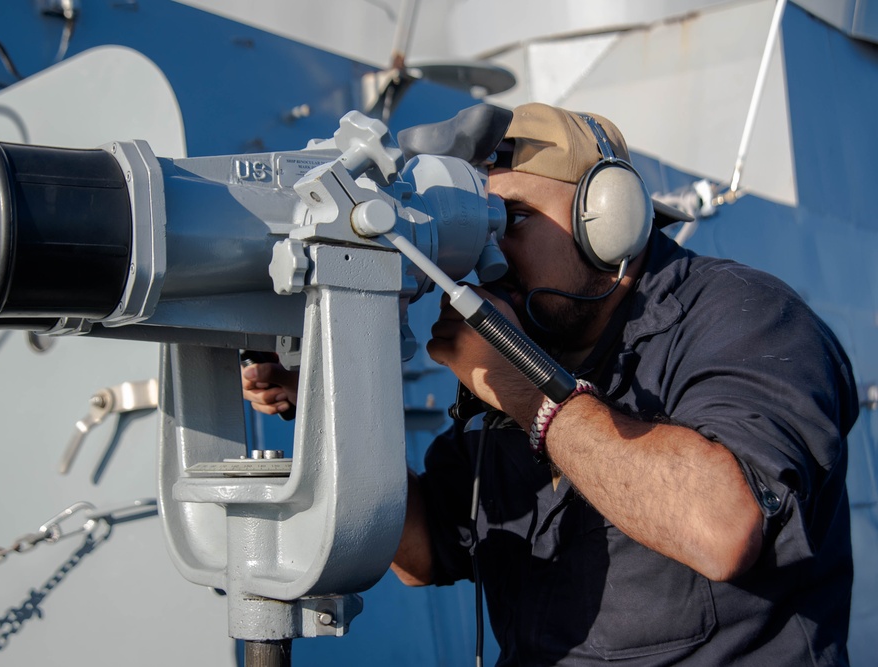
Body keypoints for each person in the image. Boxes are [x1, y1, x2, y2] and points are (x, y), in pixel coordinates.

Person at [243, 103, 859, 665]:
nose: (489, 254)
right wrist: (329, 393)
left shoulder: (746, 318)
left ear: (608, 219)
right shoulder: (532, 341)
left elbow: (723, 527)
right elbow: (426, 550)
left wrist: (528, 393)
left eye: (510, 218)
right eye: (474, 227)